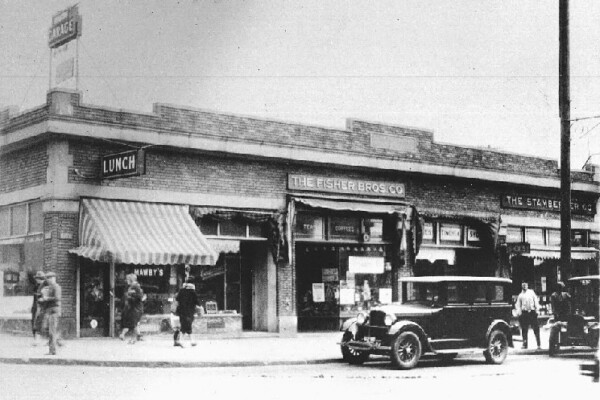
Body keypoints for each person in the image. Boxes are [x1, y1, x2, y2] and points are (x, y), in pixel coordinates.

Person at [38, 271, 61, 355]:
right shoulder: (50, 287)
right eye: (47, 279)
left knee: (52, 331)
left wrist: (46, 299)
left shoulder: (56, 287)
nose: (48, 280)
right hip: (49, 310)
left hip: (54, 311)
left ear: (53, 278)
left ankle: (53, 350)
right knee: (47, 329)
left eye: (49, 278)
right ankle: (52, 348)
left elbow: (57, 298)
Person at [515, 281, 541, 349]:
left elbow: (536, 301)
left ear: (527, 285)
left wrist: (537, 310)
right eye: (523, 285)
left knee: (536, 329)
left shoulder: (531, 292)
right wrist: (519, 313)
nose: (524, 286)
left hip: (532, 313)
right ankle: (525, 344)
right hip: (525, 313)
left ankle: (539, 344)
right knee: (524, 329)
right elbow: (518, 305)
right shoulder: (520, 295)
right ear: (521, 286)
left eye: (525, 285)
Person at [118, 274, 144, 344]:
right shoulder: (132, 286)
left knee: (134, 324)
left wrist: (129, 296)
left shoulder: (136, 286)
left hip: (136, 308)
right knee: (133, 324)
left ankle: (133, 339)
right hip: (133, 308)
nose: (126, 281)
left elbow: (139, 297)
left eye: (127, 279)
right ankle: (133, 338)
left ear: (131, 279)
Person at [173, 277, 199, 347]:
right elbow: (197, 302)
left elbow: (177, 299)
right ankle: (183, 341)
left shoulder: (181, 291)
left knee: (185, 326)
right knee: (186, 326)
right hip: (190, 312)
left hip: (181, 311)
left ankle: (191, 341)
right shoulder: (193, 292)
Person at [549, 281, 572, 353]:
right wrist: (555, 313)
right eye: (559, 287)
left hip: (565, 314)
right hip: (558, 315)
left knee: (565, 328)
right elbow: (553, 306)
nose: (560, 289)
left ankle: (564, 341)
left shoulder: (565, 294)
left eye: (561, 287)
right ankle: (556, 344)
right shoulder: (554, 295)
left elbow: (570, 302)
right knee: (556, 329)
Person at [31, 271, 46, 346]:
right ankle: (36, 339)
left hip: (41, 307)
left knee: (40, 323)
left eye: (39, 279)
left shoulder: (44, 287)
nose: (37, 280)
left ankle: (40, 340)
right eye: (37, 278)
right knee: (34, 322)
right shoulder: (36, 286)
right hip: (35, 307)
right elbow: (35, 298)